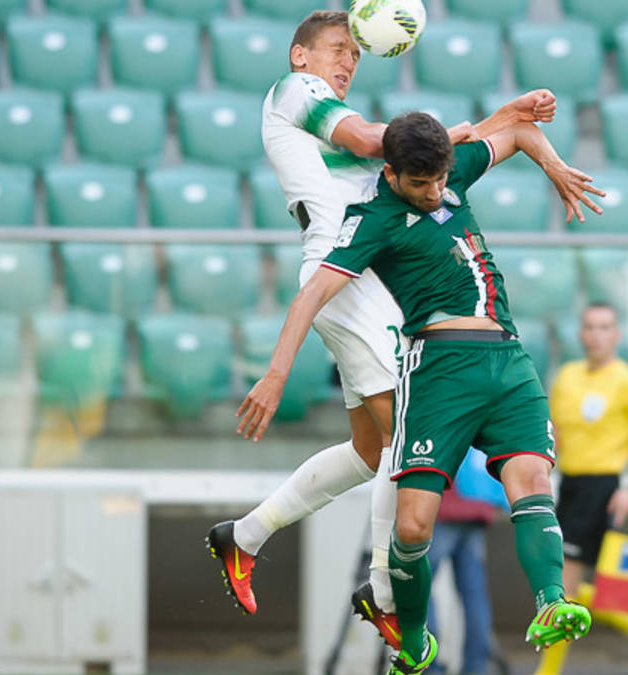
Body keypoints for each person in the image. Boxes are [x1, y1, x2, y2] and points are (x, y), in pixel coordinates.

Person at [204, 10, 556, 649]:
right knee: (405, 428)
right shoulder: (297, 91)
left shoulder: (348, 139)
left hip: (365, 278)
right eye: (337, 48)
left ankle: (244, 536)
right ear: (300, 55)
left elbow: (420, 157)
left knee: (372, 450)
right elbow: (377, 141)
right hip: (341, 272)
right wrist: (277, 373)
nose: (347, 61)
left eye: (355, 54)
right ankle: (383, 590)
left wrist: (503, 117)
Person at [236, 112, 604, 674]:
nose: (434, 193)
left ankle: (551, 601)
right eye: (420, 183)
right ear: (391, 173)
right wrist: (276, 374)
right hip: (437, 369)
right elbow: (311, 295)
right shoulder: (374, 220)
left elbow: (520, 131)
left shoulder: (449, 174)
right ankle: (411, 641)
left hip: (508, 360)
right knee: (411, 527)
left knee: (532, 479)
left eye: (439, 180)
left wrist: (555, 169)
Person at [533, 303, 628, 675]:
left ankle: (547, 671)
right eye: (590, 327)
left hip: (601, 489)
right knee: (567, 587)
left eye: (604, 327)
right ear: (581, 333)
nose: (596, 335)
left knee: (562, 590)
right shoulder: (566, 377)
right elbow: (554, 434)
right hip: (569, 486)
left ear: (617, 335)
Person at [425, 449, 500, 675]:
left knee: (420, 588)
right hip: (477, 505)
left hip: (441, 505)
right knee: (474, 593)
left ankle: (428, 664)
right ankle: (476, 667)